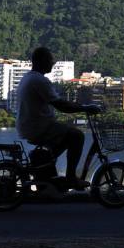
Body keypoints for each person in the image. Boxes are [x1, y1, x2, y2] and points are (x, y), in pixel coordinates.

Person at [15, 46, 98, 189]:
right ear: (41, 61)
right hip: (38, 127)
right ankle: (71, 178)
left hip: (28, 126)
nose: (52, 63)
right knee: (77, 136)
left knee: (66, 139)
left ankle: (44, 167)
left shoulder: (28, 77)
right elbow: (61, 105)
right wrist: (85, 108)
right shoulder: (40, 81)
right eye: (50, 60)